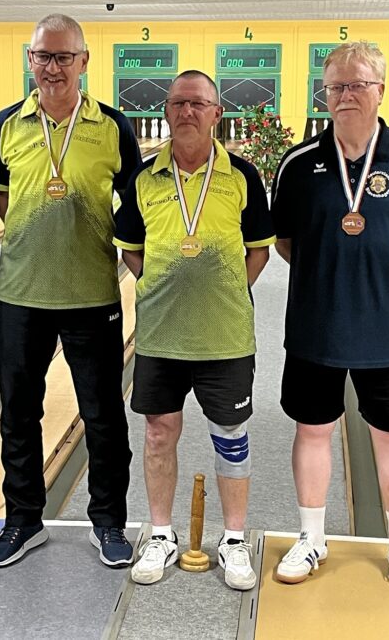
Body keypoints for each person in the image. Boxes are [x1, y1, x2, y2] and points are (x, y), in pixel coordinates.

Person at [270, 42, 389, 596]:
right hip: (316, 327)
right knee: (312, 429)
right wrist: (329, 275)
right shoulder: (299, 164)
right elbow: (285, 241)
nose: (346, 95)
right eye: (336, 86)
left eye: (358, 84)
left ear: (381, 90)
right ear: (325, 94)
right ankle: (311, 537)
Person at [0, 13, 141, 568]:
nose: (52, 68)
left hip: (92, 295)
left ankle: (109, 522)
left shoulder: (113, 127)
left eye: (63, 57)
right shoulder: (6, 124)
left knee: (103, 415)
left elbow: (134, 206)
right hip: (20, 294)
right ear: (31, 60)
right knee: (18, 414)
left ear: (83, 61)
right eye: (42, 57)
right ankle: (23, 521)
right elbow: (3, 199)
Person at [115, 70, 274, 590]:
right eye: (178, 103)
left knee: (231, 434)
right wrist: (161, 285)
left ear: (216, 113)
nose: (187, 111)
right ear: (165, 111)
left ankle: (234, 540)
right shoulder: (143, 178)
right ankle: (161, 534)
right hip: (161, 336)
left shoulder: (242, 175)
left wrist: (226, 290)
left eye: (198, 103)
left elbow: (259, 250)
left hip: (225, 336)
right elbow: (130, 249)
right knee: (159, 433)